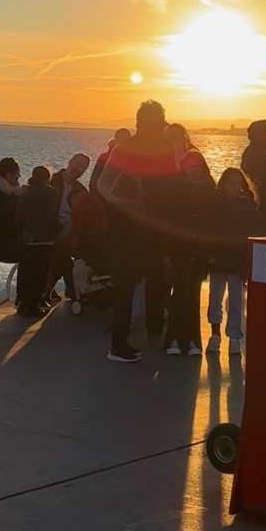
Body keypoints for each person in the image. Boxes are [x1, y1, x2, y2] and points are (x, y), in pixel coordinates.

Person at [98, 99, 179, 362]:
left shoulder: (167, 148)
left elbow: (174, 183)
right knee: (125, 284)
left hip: (156, 225)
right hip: (127, 227)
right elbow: (103, 182)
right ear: (139, 123)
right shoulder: (126, 147)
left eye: (161, 123)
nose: (158, 128)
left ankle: (154, 330)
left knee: (157, 279)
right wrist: (122, 201)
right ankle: (118, 343)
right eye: (154, 123)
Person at [160, 152, 220, 356]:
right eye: (191, 165)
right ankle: (174, 339)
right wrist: (166, 250)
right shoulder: (176, 190)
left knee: (193, 294)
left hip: (200, 250)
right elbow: (168, 222)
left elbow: (214, 225)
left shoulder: (210, 192)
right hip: (179, 249)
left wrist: (211, 250)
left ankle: (193, 339)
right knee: (179, 294)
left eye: (197, 166)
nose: (194, 169)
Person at [206, 168, 257, 357]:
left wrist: (247, 260)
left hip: (237, 260)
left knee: (236, 301)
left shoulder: (248, 207)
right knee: (215, 298)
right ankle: (215, 334)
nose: (234, 187)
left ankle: (234, 337)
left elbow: (252, 233)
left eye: (238, 183)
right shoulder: (215, 204)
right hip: (218, 258)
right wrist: (209, 254)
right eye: (231, 183)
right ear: (223, 183)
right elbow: (209, 230)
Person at [14, 166, 61, 318]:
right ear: (47, 178)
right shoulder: (52, 193)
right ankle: (34, 304)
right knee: (40, 272)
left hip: (27, 239)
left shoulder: (24, 193)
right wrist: (60, 227)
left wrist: (22, 235)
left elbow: (18, 219)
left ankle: (23, 303)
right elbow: (51, 217)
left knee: (27, 272)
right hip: (45, 239)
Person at [49, 153, 91, 301]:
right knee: (63, 254)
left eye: (83, 168)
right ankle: (68, 289)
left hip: (72, 234)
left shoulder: (80, 190)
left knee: (69, 253)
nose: (79, 169)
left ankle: (51, 288)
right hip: (50, 231)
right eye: (77, 164)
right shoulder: (51, 181)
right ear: (70, 161)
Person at [241, 119, 266, 236]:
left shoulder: (260, 151)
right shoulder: (253, 153)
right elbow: (252, 181)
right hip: (260, 205)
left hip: (265, 204)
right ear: (260, 134)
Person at [89, 128, 130, 199]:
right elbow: (94, 180)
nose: (124, 142)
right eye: (121, 139)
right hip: (104, 198)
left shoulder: (133, 159)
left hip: (124, 200)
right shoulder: (104, 157)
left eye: (126, 140)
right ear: (117, 140)